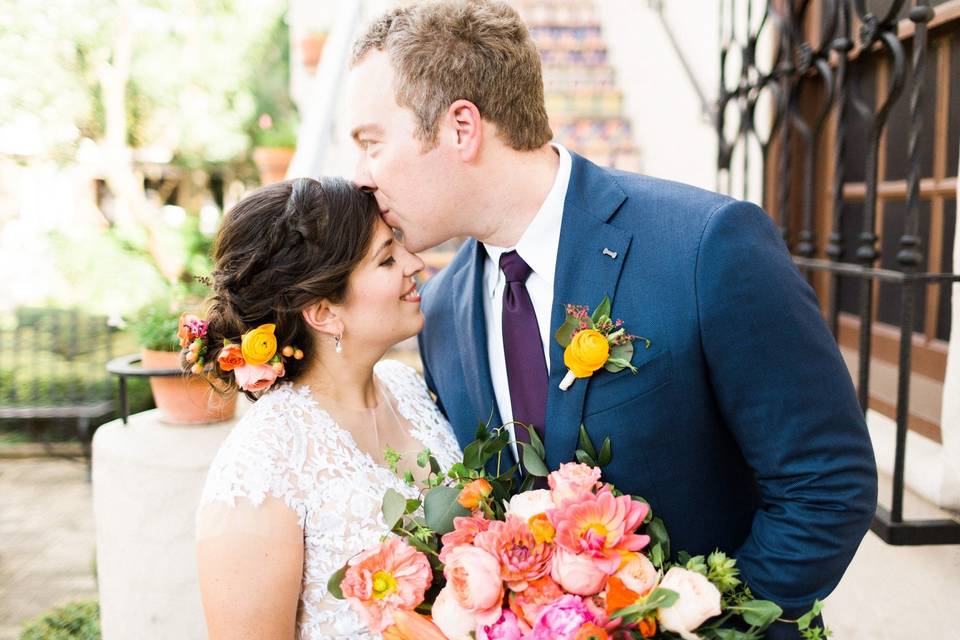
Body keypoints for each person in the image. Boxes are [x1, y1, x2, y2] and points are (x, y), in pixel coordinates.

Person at [346, 1, 878, 636]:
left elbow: (825, 484)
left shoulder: (706, 245)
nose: (362, 178)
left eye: (372, 144)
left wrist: (704, 625)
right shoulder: (438, 310)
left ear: (462, 127)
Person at [192, 176, 461, 639]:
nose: (414, 263)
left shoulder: (407, 387)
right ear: (323, 313)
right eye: (387, 258)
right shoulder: (264, 461)